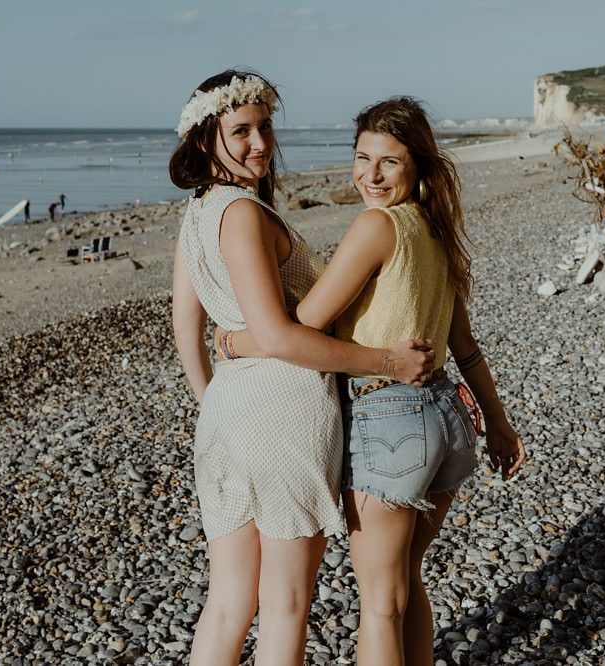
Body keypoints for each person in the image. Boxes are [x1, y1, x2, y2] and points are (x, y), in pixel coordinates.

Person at [220, 96, 526, 665]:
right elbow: (466, 348)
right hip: (448, 422)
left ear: (418, 167)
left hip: (391, 421)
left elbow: (300, 325)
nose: (371, 175)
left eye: (389, 162)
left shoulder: (375, 227)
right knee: (406, 581)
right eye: (362, 158)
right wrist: (499, 426)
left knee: (380, 602)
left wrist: (235, 342)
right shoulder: (437, 231)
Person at [168, 71, 434, 665]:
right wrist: (385, 361)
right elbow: (280, 336)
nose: (260, 143)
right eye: (241, 131)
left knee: (228, 600)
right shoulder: (241, 214)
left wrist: (216, 401)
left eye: (264, 127)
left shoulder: (195, 216)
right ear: (205, 137)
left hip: (224, 414)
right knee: (286, 601)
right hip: (286, 414)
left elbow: (188, 332)